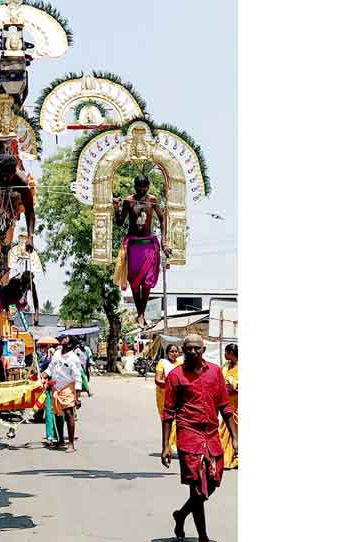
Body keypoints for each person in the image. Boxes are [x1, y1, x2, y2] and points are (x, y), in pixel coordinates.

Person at [162, 334, 237, 542]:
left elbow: (225, 406)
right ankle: (203, 537)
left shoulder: (215, 372)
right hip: (188, 435)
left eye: (197, 348)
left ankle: (181, 514)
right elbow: (168, 413)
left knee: (212, 482)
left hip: (212, 435)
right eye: (189, 349)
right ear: (183, 351)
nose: (193, 352)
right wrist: (166, 445)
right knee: (196, 488)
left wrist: (235, 437)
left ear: (203, 350)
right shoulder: (176, 376)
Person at [112, 175, 171, 328]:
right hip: (133, 246)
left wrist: (164, 242)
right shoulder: (128, 201)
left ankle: (141, 315)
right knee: (134, 282)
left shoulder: (152, 200)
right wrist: (116, 209)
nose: (141, 190)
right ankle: (141, 315)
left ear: (148, 187)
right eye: (139, 187)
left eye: (144, 187)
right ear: (134, 187)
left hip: (149, 246)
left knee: (146, 283)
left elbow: (162, 219)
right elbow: (119, 222)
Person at [0, 142, 36, 261]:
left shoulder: (22, 181)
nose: (4, 179)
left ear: (13, 172)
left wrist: (30, 237)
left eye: (7, 177)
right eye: (1, 176)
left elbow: (29, 210)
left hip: (15, 205)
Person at [42, 337, 82, 453]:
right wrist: (42, 375)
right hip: (56, 387)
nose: (63, 339)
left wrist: (77, 398)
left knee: (69, 413)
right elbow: (50, 369)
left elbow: (78, 377)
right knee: (57, 414)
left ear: (70, 345)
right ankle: (60, 440)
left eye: (67, 339)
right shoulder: (57, 354)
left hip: (68, 387)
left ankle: (71, 444)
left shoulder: (73, 359)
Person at [155, 344, 183, 453]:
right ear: (167, 353)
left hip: (179, 395)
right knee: (167, 419)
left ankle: (173, 445)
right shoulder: (162, 363)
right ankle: (168, 446)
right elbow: (157, 380)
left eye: (176, 351)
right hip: (164, 395)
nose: (174, 354)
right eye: (171, 351)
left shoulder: (181, 363)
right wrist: (170, 385)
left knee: (178, 420)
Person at [219, 344, 239, 470]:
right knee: (225, 429)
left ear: (231, 353)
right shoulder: (226, 366)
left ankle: (235, 458)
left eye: (226, 352)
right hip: (227, 403)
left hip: (238, 403)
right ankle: (226, 457)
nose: (224, 355)